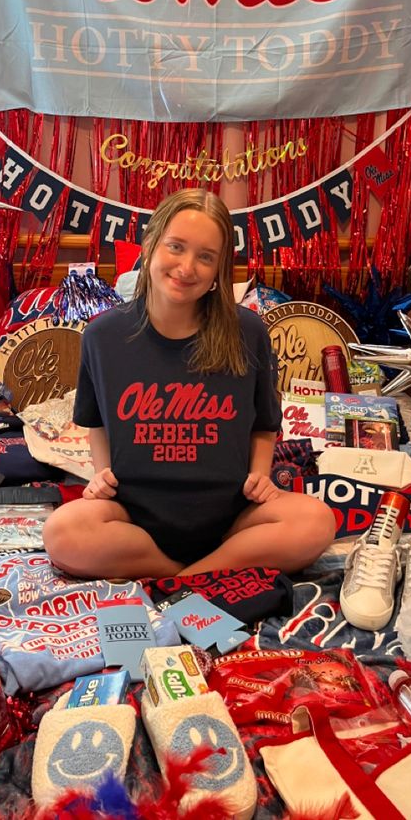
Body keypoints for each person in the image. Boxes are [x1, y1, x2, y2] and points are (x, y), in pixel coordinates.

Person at [43, 189, 335, 579]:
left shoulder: (248, 332)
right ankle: (193, 576)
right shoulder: (102, 336)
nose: (186, 266)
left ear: (219, 270)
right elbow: (96, 421)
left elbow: (264, 425)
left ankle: (185, 579)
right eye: (176, 247)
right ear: (149, 246)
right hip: (133, 516)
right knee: (61, 532)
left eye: (206, 256)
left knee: (316, 521)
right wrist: (101, 473)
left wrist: (262, 477)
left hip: (232, 515)